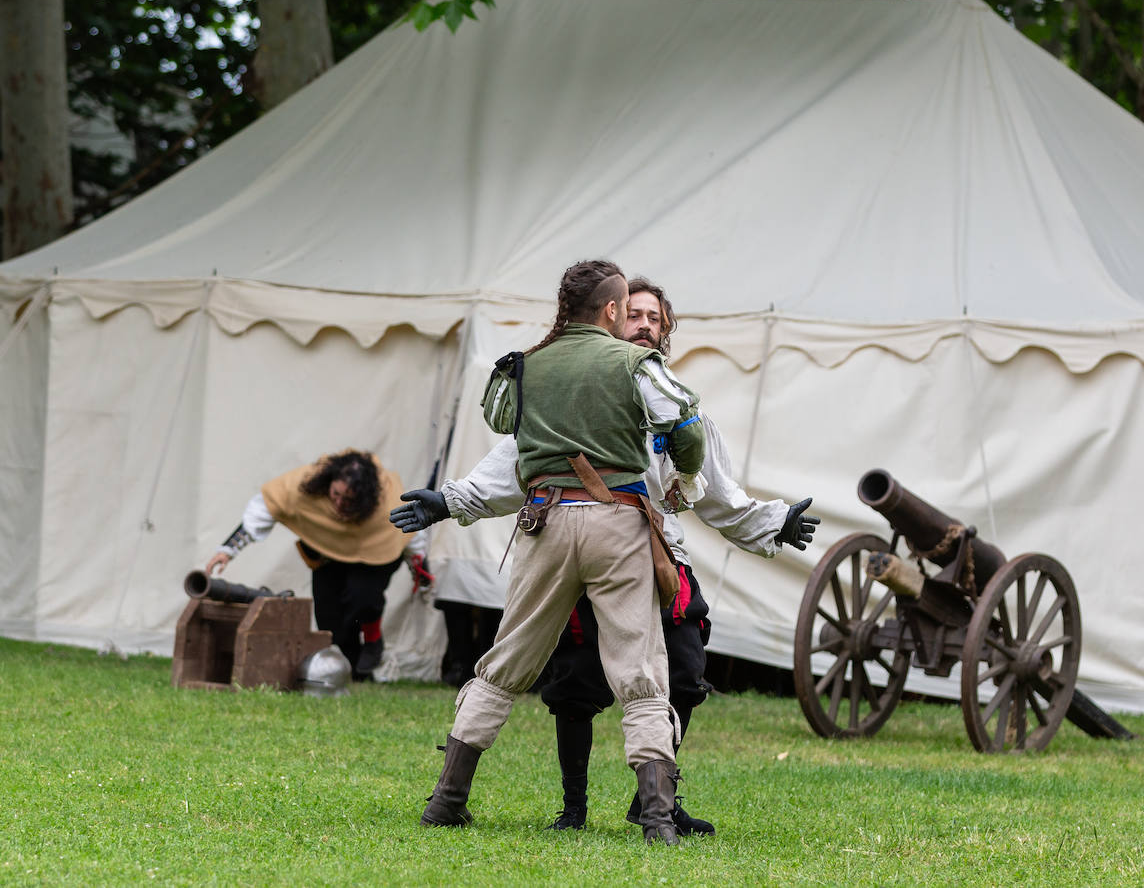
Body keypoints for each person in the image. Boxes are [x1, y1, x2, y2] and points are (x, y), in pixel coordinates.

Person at [397, 277, 820, 837]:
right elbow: (517, 462)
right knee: (581, 682)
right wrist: (452, 500)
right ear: (613, 315)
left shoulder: (634, 383)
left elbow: (716, 492)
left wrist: (774, 520)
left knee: (683, 672)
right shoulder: (606, 383)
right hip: (614, 535)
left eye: (655, 318)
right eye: (634, 314)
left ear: (666, 329)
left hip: (648, 550)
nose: (644, 324)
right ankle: (582, 809)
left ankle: (653, 805)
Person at [392, 260, 707, 846]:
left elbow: (503, 428)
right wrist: (683, 474)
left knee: (506, 661)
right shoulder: (637, 364)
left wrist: (451, 500)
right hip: (618, 524)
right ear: (612, 310)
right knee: (639, 668)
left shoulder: (524, 366)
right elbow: (686, 429)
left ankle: (446, 801)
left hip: (542, 521)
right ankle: (658, 819)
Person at [203, 449, 424, 678]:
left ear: (364, 498)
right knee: (328, 617)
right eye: (336, 494)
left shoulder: (387, 498)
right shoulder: (303, 484)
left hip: (373, 556)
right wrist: (228, 550)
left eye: (348, 499)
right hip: (327, 555)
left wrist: (419, 566)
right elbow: (266, 506)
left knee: (362, 599)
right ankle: (350, 671)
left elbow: (409, 532)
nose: (339, 503)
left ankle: (373, 640)